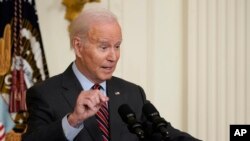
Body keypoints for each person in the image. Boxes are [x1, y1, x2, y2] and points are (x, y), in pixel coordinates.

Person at [22, 8, 200, 141]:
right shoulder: (45, 94)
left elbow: (165, 134)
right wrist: (72, 121)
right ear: (78, 46)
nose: (113, 57)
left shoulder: (132, 93)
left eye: (117, 46)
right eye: (104, 47)